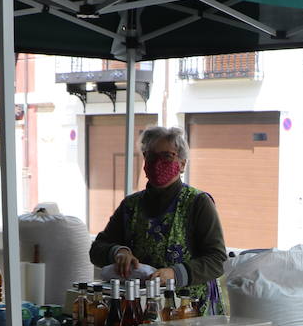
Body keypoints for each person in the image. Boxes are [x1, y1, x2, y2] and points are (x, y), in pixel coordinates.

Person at [89, 125, 227, 311]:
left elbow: (217, 260)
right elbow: (97, 249)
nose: (157, 163)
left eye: (167, 156)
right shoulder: (131, 205)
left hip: (189, 310)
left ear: (182, 163)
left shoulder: (198, 203)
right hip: (139, 308)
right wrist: (118, 252)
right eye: (151, 156)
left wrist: (175, 273)